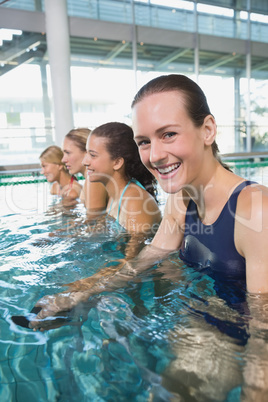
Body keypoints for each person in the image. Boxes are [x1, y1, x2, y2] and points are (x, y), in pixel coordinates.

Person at [30, 74, 268, 321]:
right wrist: (81, 294)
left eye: (168, 134)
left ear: (207, 130)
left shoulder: (256, 208)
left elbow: (262, 329)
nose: (154, 156)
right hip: (198, 323)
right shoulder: (181, 200)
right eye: (143, 142)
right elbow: (147, 258)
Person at [82, 122, 161, 233]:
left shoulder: (134, 203)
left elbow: (135, 250)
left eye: (93, 155)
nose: (84, 162)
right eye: (86, 153)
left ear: (117, 162)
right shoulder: (115, 196)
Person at [62, 128, 108, 214]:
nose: (63, 160)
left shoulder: (94, 180)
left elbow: (94, 221)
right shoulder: (89, 179)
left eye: (68, 153)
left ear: (86, 152)